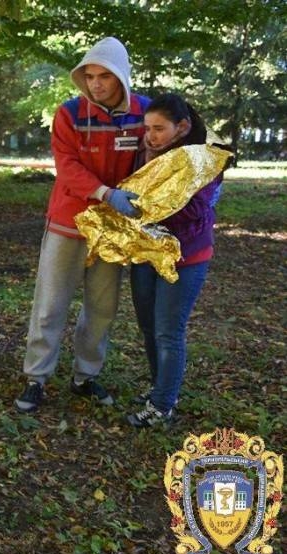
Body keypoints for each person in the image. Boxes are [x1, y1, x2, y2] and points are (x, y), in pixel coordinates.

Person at [14, 37, 151, 413]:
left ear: (121, 76)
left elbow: (159, 153)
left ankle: (85, 376)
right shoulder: (70, 114)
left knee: (102, 306)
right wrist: (106, 193)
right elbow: (68, 167)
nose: (95, 84)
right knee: (50, 303)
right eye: (89, 76)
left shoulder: (144, 113)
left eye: (104, 76)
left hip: (112, 229)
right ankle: (36, 378)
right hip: (69, 222)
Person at [126, 93, 227, 427]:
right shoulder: (147, 154)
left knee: (169, 331)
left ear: (182, 127)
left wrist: (150, 204)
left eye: (158, 129)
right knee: (148, 326)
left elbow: (197, 210)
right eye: (147, 128)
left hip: (186, 257)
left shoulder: (203, 160)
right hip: (145, 253)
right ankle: (161, 388)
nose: (150, 136)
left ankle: (162, 404)